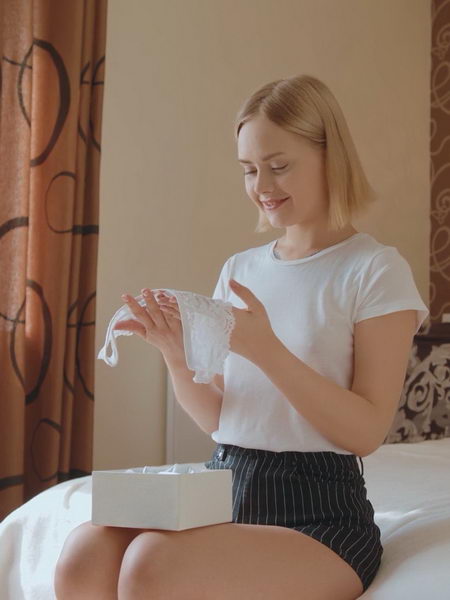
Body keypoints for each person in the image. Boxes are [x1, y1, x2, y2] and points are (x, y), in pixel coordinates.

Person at [54, 74, 429, 599]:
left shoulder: (375, 270)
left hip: (321, 514)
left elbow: (366, 432)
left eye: (279, 166)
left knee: (152, 563)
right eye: (250, 170)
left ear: (331, 156)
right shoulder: (241, 269)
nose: (262, 186)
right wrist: (175, 353)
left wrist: (266, 350)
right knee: (83, 553)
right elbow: (220, 418)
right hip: (225, 485)